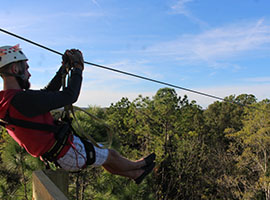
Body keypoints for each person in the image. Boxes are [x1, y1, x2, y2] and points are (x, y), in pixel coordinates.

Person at [0, 44, 155, 184]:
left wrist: (63, 69)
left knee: (106, 159)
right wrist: (78, 69)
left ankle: (136, 174)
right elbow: (70, 96)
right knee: (111, 155)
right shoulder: (21, 100)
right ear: (15, 69)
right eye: (26, 68)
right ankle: (138, 166)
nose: (29, 74)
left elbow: (46, 94)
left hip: (59, 153)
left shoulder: (9, 100)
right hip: (67, 152)